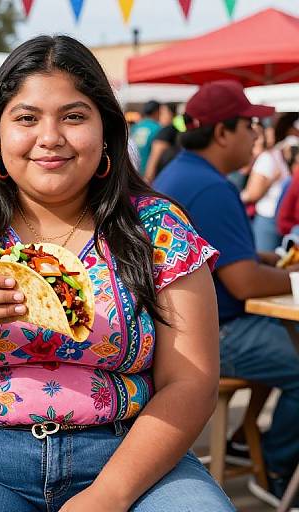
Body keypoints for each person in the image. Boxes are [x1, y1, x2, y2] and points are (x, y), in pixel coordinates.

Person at [0, 35, 234, 512]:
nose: (50, 137)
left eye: (74, 116)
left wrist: (109, 494)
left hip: (133, 454)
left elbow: (192, 382)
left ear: (107, 131)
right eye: (26, 118)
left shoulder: (158, 227)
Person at [154, 80, 299, 509]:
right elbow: (244, 283)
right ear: (222, 132)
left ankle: (241, 442)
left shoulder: (182, 172)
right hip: (213, 333)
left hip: (183, 328)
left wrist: (270, 259)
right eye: (250, 124)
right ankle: (278, 470)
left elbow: (226, 257)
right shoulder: (212, 187)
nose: (258, 134)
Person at [240, 113, 299, 251]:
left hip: (272, 219)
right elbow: (253, 193)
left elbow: (253, 194)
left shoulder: (272, 156)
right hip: (271, 219)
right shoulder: (271, 157)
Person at [144, 103, 181, 184]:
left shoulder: (166, 131)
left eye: (162, 113)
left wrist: (148, 178)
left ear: (171, 114)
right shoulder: (179, 129)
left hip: (159, 179)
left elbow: (156, 154)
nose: (160, 116)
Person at [130, 100, 161, 175]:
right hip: (148, 174)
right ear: (157, 112)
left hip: (132, 171)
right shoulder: (158, 128)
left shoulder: (135, 127)